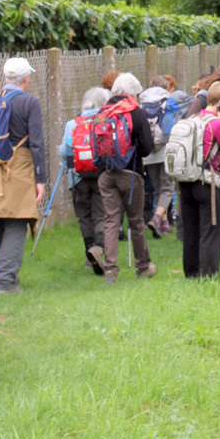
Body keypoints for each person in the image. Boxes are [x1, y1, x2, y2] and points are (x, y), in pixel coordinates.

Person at [0, 57, 46, 293]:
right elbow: (37, 143)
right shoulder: (29, 102)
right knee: (17, 219)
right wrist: (41, 178)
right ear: (26, 79)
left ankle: (8, 277)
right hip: (20, 168)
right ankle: (4, 281)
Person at [97, 73, 157, 283]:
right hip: (131, 174)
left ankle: (110, 269)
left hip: (105, 173)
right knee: (136, 222)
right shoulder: (136, 112)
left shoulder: (103, 111)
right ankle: (143, 265)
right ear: (132, 93)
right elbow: (147, 148)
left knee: (111, 220)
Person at [179, 81, 220, 278]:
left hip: (186, 181)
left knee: (191, 231)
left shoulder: (194, 118)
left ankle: (191, 272)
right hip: (207, 182)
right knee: (210, 231)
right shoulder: (217, 123)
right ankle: (209, 275)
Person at [60, 86, 109, 274]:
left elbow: (65, 152)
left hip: (78, 177)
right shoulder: (106, 121)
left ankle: (89, 253)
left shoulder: (72, 124)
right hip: (101, 174)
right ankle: (98, 247)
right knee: (101, 212)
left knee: (84, 215)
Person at [140, 76, 176, 238]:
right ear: (167, 88)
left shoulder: (141, 103)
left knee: (157, 189)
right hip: (166, 150)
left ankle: (164, 224)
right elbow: (173, 126)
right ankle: (156, 219)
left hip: (148, 153)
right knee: (168, 188)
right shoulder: (169, 102)